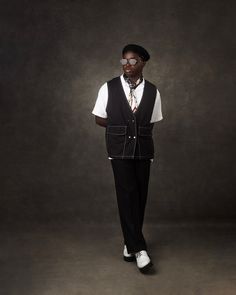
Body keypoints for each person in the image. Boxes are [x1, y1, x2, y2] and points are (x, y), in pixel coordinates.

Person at [92, 44, 163, 274]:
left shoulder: (153, 91)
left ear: (142, 62)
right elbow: (100, 118)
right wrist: (122, 127)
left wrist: (137, 131)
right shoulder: (109, 87)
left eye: (133, 61)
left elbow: (151, 121)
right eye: (124, 61)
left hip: (143, 150)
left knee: (140, 195)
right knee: (127, 194)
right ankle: (139, 248)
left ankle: (129, 244)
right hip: (119, 149)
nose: (127, 65)